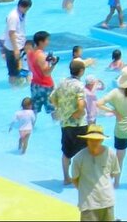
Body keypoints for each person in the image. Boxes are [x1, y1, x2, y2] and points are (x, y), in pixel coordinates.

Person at [68, 123, 120, 222]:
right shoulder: (78, 158)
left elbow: (113, 173)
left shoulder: (111, 153)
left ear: (102, 140)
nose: (94, 142)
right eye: (91, 139)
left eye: (97, 140)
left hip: (107, 201)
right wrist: (87, 190)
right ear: (87, 140)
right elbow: (74, 179)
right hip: (88, 204)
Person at [52, 59, 89, 187]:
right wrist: (80, 112)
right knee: (85, 151)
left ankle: (66, 178)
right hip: (79, 124)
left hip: (65, 123)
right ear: (81, 71)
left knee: (66, 152)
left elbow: (52, 98)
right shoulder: (79, 86)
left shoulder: (62, 82)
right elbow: (80, 104)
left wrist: (61, 109)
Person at [2, 0, 32, 85]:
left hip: (21, 45)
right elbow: (11, 33)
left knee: (23, 69)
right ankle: (13, 88)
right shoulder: (13, 16)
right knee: (13, 72)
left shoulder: (21, 13)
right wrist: (16, 49)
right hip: (13, 48)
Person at [29, 31, 57, 115]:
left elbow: (33, 68)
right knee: (53, 110)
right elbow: (46, 73)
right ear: (41, 42)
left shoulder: (30, 53)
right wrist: (53, 64)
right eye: (47, 40)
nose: (48, 42)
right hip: (46, 86)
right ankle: (57, 127)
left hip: (35, 84)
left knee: (34, 111)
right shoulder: (41, 55)